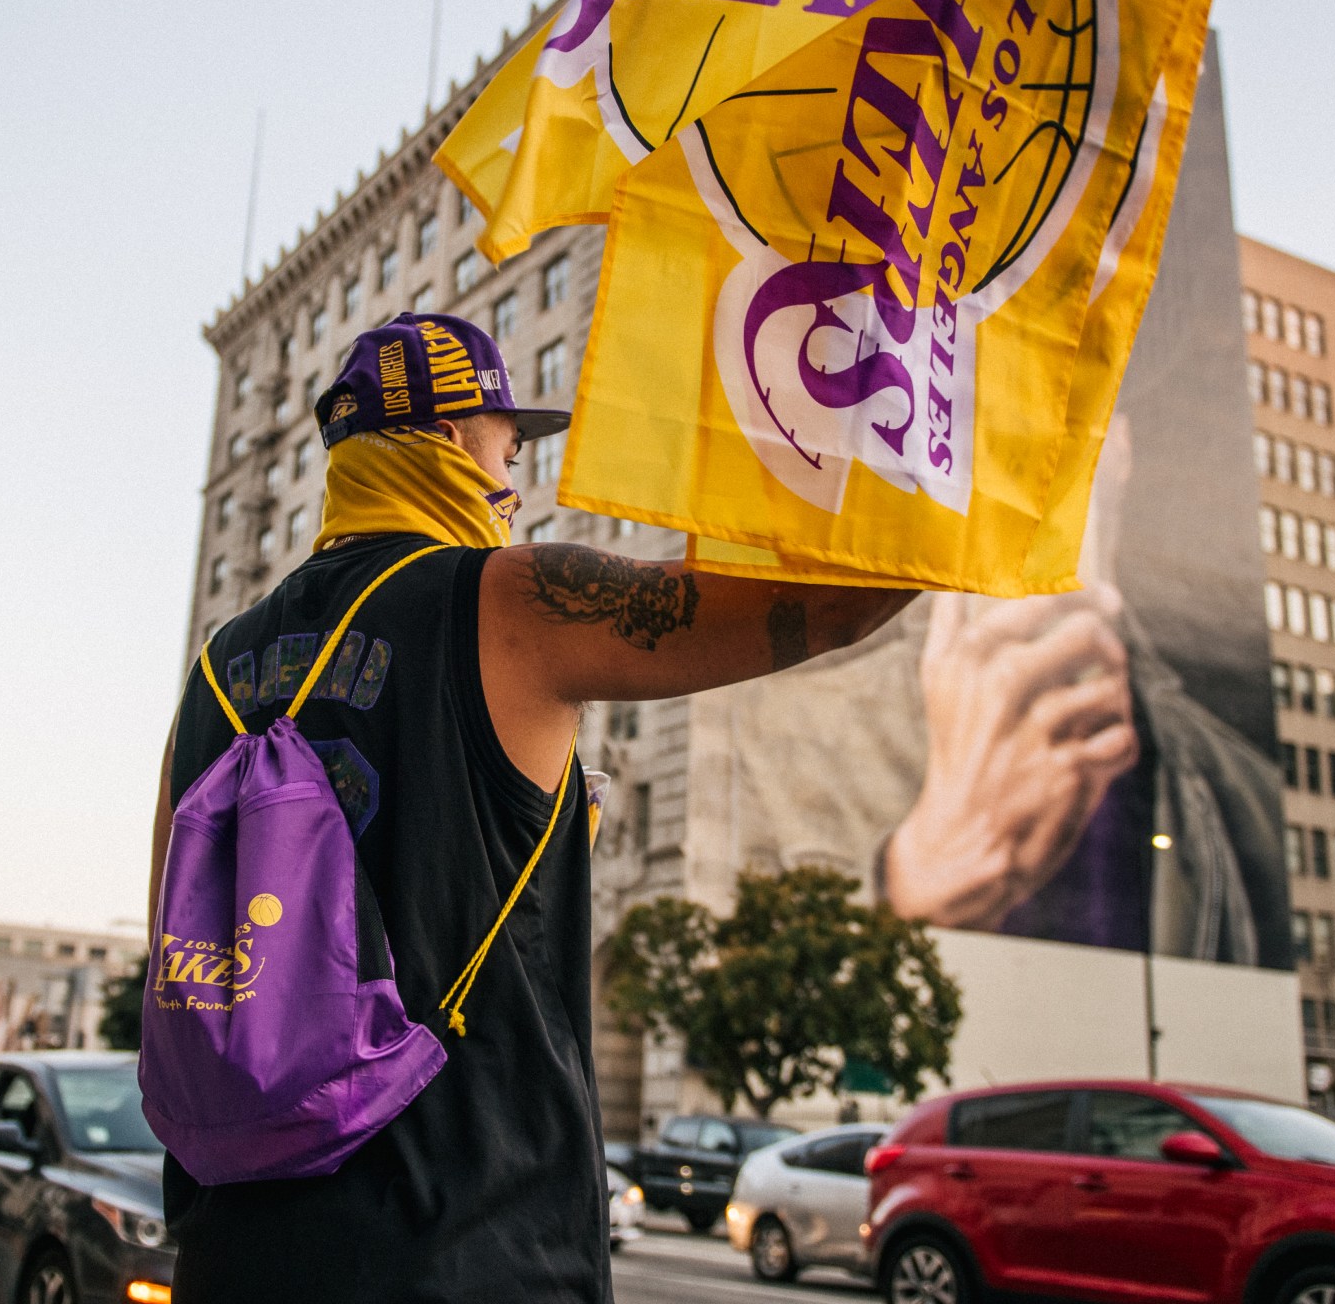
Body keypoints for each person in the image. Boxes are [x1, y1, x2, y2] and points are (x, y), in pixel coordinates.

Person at [148, 312, 911, 1303]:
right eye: (510, 442)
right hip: (471, 1246)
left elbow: (181, 961)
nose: (513, 477)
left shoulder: (211, 672)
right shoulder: (507, 598)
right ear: (455, 436)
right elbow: (838, 602)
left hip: (235, 1251)